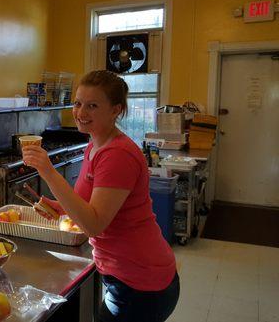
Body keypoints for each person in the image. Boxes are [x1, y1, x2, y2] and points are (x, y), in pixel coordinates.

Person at [22, 70, 179, 322]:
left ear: (115, 110)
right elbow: (88, 206)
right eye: (78, 103)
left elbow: (94, 224)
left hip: (141, 282)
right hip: (122, 275)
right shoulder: (94, 144)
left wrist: (48, 171)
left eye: (92, 106)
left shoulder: (118, 155)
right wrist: (60, 207)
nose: (81, 113)